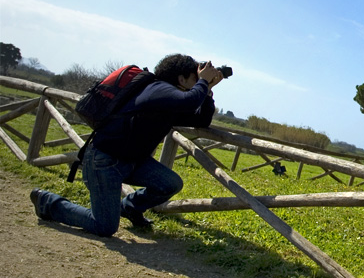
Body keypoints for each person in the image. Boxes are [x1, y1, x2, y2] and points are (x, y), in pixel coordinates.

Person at [30, 54, 224, 237]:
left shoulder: (168, 100)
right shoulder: (158, 90)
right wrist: (203, 82)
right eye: (194, 78)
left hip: (133, 162)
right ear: (181, 80)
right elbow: (189, 102)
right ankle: (47, 202)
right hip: (105, 162)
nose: (196, 82)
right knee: (104, 226)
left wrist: (206, 91)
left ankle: (129, 208)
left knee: (170, 184)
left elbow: (202, 120)